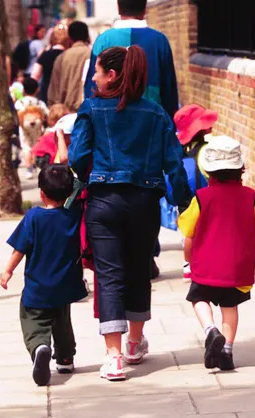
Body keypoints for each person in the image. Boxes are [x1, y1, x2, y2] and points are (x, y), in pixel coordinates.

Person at [68, 45, 190, 381]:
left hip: (104, 202)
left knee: (108, 277)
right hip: (144, 203)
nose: (93, 77)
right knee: (138, 272)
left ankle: (114, 357)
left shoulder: (91, 109)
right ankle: (135, 343)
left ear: (111, 75)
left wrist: (85, 178)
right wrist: (182, 201)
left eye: (96, 70)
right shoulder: (155, 113)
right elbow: (173, 162)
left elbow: (77, 156)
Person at [84, 0, 181, 278]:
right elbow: (169, 88)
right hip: (150, 124)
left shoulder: (104, 39)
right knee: (146, 190)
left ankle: (118, 256)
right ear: (145, 8)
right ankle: (146, 253)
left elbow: (92, 86)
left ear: (118, 5)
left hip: (109, 125)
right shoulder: (159, 41)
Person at [177, 136, 255, 371]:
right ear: (241, 169)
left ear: (208, 171)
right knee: (230, 307)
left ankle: (211, 330)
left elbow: (189, 235)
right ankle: (227, 351)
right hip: (237, 266)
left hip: (207, 265)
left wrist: (188, 259)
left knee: (198, 299)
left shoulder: (201, 198)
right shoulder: (251, 197)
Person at [1, 164, 88, 386]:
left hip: (38, 287)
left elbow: (19, 249)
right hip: (66, 284)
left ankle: (40, 346)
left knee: (33, 318)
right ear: (68, 193)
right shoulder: (73, 216)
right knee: (62, 320)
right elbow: (78, 190)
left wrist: (8, 271)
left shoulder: (34, 217)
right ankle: (66, 358)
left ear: (41, 192)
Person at [171, 104, 217, 282]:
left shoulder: (180, 152)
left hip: (185, 202)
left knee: (189, 235)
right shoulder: (206, 151)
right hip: (205, 200)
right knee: (206, 235)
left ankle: (188, 264)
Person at [48, 21, 91, 112]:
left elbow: (54, 88)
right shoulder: (93, 55)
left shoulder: (62, 57)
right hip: (88, 110)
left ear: (69, 37)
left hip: (66, 112)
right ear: (87, 36)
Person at [32, 25, 70, 104]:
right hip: (65, 94)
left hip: (47, 92)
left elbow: (35, 75)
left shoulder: (45, 55)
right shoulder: (69, 56)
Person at [32, 104, 71, 169]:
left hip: (51, 165)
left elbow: (37, 150)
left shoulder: (48, 132)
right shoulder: (68, 132)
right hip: (64, 161)